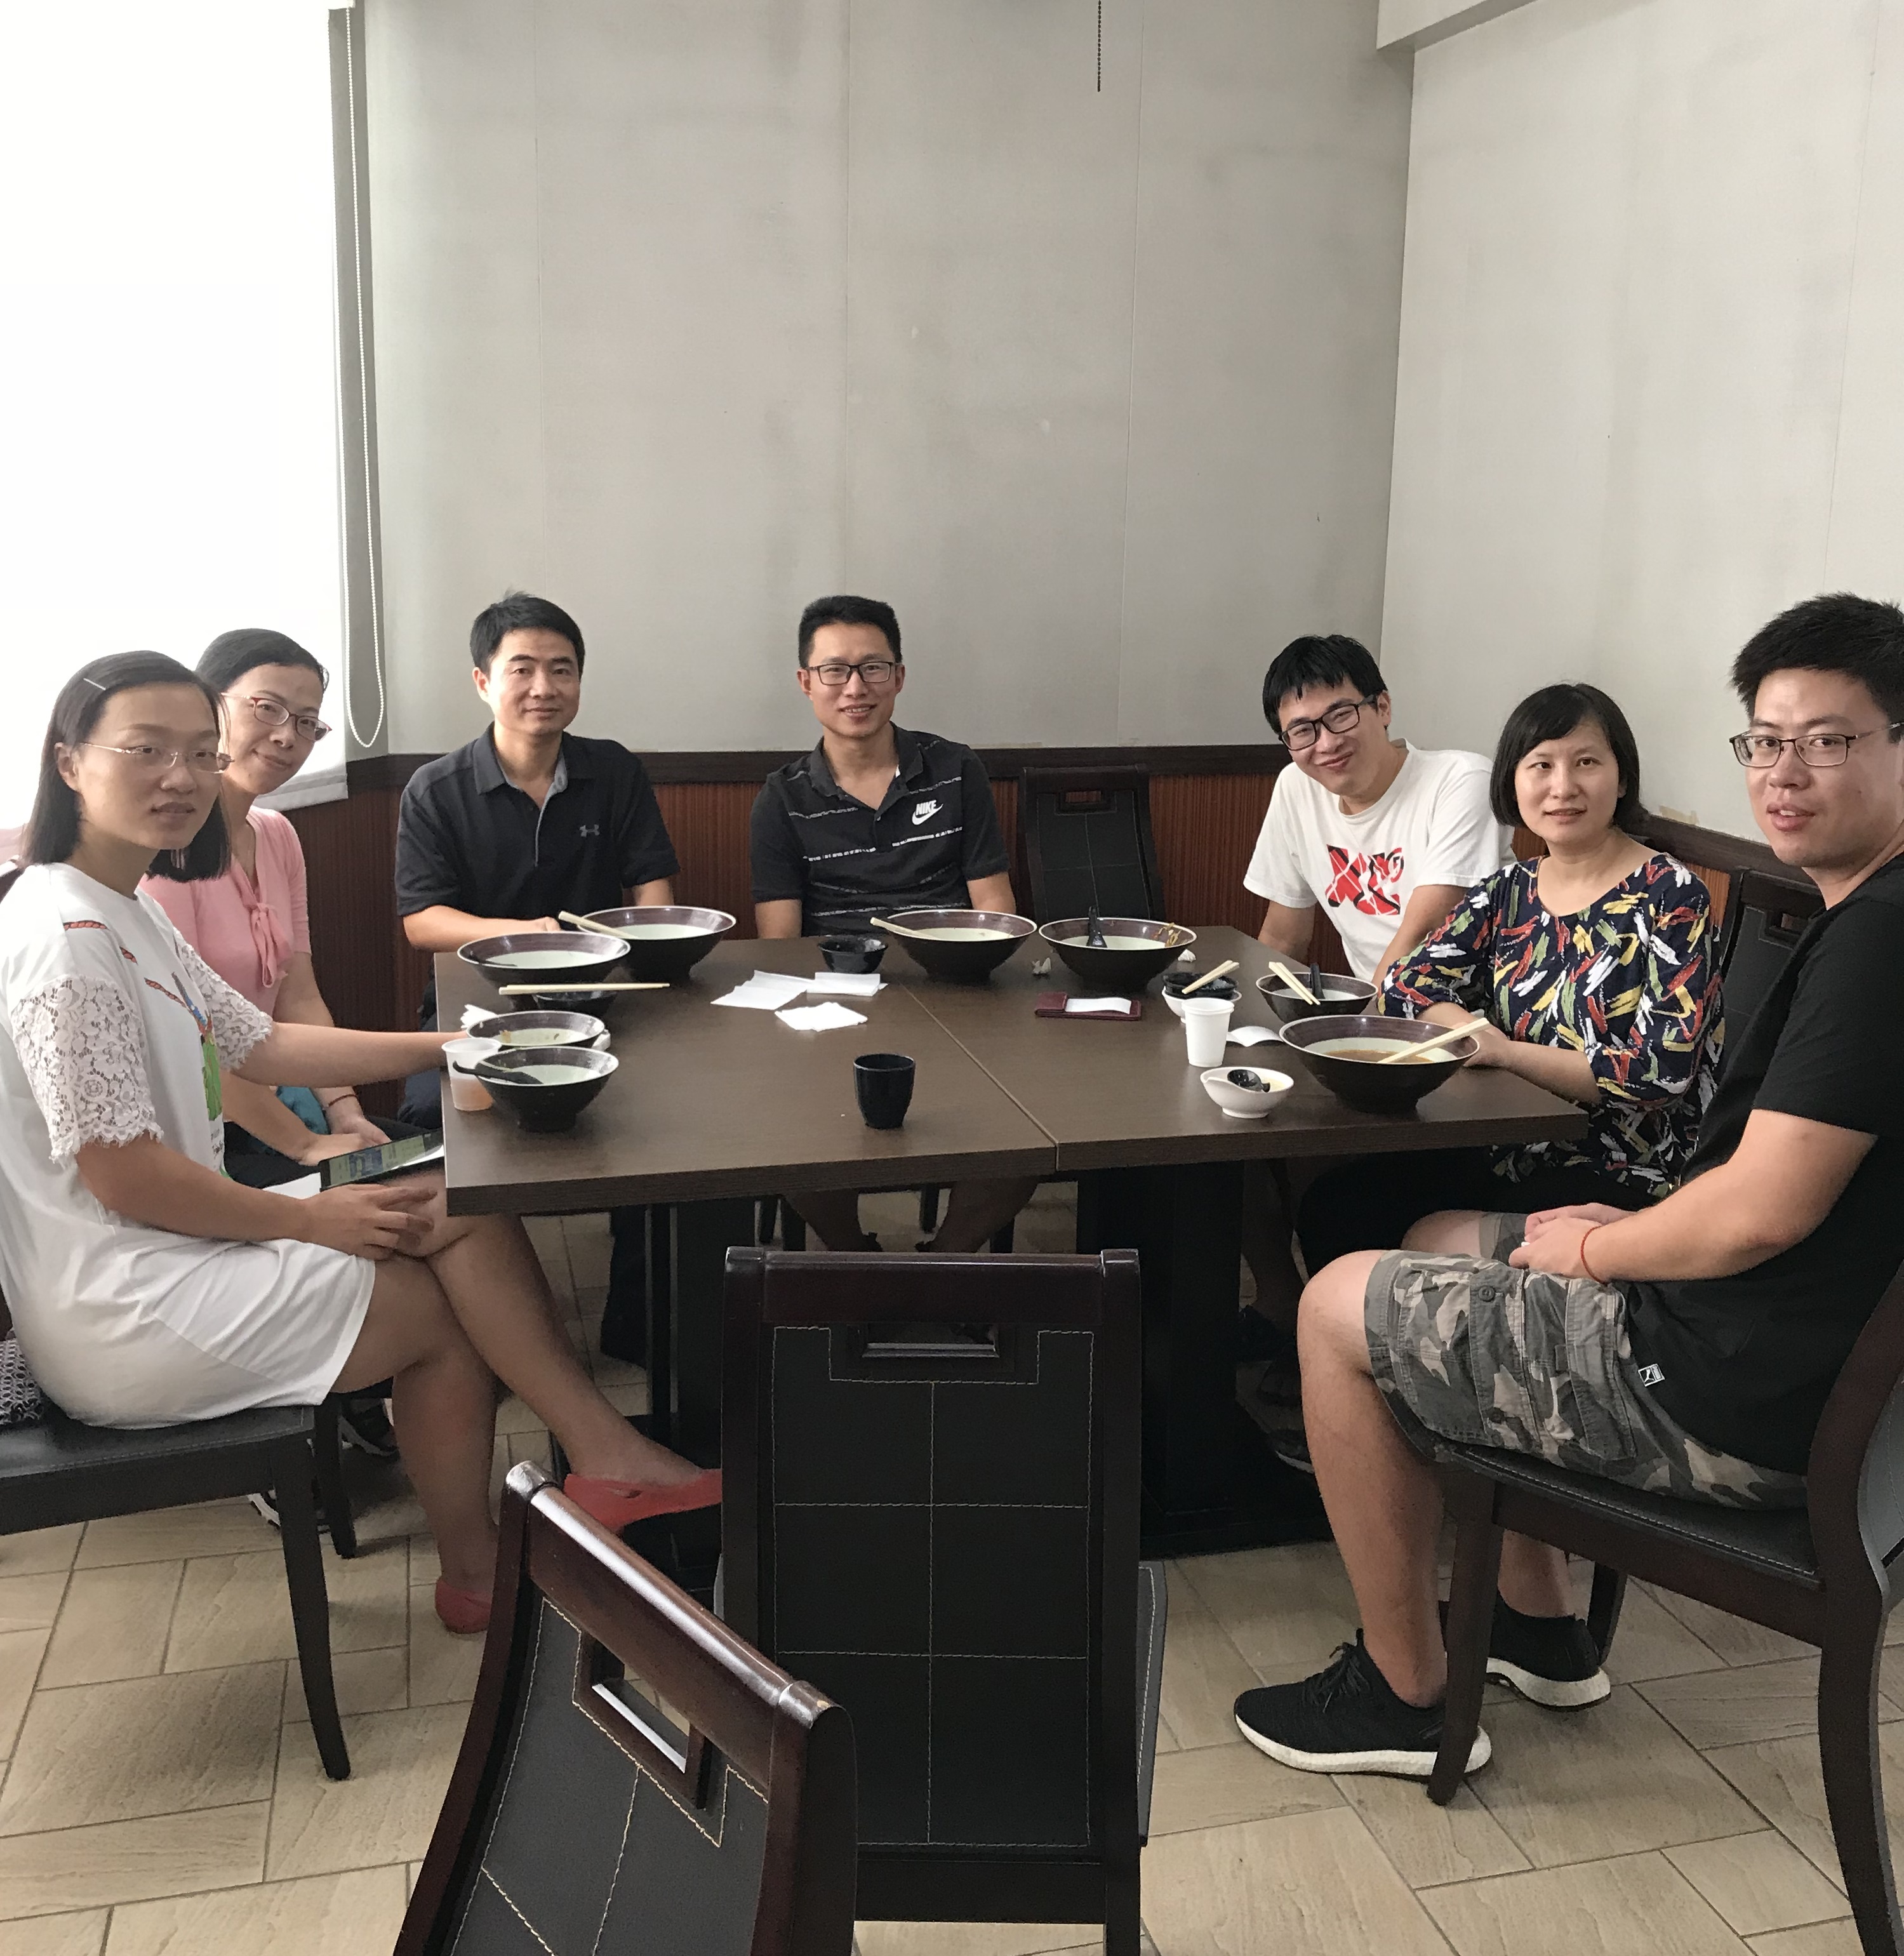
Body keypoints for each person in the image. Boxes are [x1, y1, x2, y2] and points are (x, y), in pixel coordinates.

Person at [1232, 593, 1904, 1780]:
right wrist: (1630, 1228)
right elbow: (1762, 1185)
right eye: (1762, 741)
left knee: (1336, 1303)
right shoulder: (1863, 920)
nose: (1781, 772)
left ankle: (1400, 1693)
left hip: (1726, 1398)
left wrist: (1597, 1253)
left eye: (1827, 740)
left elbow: (1760, 1209)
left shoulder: (1872, 944)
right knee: (1435, 1236)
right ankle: (1536, 1626)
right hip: (1771, 1347)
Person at [0, 654, 717, 1635]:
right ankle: (490, 1563)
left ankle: (597, 1465)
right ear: (69, 761)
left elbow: (263, 1042)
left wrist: (459, 1041)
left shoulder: (125, 906)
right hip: (128, 1306)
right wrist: (316, 1218)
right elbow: (126, 1178)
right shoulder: (64, 937)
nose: (181, 777)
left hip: (175, 1245)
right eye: (147, 750)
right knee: (435, 1312)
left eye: (200, 754)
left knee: (456, 1194)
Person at [1296, 682, 1724, 1272]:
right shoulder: (1509, 889)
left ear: (1622, 778)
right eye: (1540, 765)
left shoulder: (1671, 894)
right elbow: (1407, 982)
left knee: (1396, 1228)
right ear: (1512, 782)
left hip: (1622, 1171)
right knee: (1336, 1207)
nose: (1562, 786)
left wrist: (1506, 1053)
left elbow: (1660, 1073)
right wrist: (1471, 1031)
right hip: (1507, 1146)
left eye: (1586, 762)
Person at [144, 627, 418, 1461]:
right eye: (267, 708)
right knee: (409, 1215)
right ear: (209, 707)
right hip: (208, 1135)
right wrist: (306, 1142)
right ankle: (307, 1408)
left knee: (437, 1172)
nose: (287, 736)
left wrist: (346, 1111)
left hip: (288, 1100)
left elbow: (299, 992)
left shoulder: (277, 834)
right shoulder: (162, 856)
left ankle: (371, 1383)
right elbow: (198, 1051)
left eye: (307, 723)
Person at [394, 592, 678, 1360]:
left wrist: (646, 943)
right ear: (482, 681)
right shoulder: (436, 789)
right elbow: (423, 921)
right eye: (521, 669)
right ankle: (481, 1322)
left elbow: (652, 890)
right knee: (426, 1118)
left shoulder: (612, 770)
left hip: (603, 999)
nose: (542, 687)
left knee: (666, 1118)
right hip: (476, 1006)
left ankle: (643, 1329)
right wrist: (522, 935)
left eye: (562, 669)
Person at [1238, 635, 1512, 1402]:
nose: (1323, 743)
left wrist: (1335, 1034)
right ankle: (1283, 1304)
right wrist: (1241, 1026)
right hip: (1356, 1028)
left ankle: (1356, 1349)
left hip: (1454, 1038)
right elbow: (1282, 937)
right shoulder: (1295, 790)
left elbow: (1421, 941)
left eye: (1340, 716)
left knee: (1314, 1158)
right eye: (1300, 731)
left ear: (1382, 706)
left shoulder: (1458, 780)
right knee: (1226, 1119)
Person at [750, 594, 1035, 1251]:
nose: (855, 688)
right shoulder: (782, 798)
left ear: (899, 676)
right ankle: (857, 1263)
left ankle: (940, 1267)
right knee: (788, 1133)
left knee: (1025, 1128)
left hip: (958, 993)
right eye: (834, 670)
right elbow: (779, 944)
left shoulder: (954, 770)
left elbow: (995, 908)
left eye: (873, 668)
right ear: (805, 682)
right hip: (837, 1004)